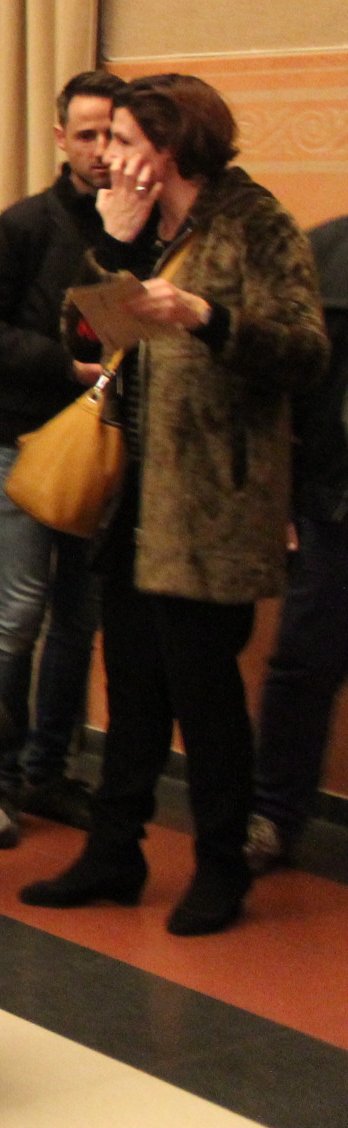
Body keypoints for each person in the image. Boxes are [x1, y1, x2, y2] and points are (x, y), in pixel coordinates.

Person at [21, 75, 327, 937]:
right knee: (132, 690)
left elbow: (305, 354)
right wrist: (111, 250)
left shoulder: (254, 222)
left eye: (122, 139)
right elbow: (86, 339)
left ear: (172, 144)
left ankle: (222, 864)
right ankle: (115, 851)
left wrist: (206, 315)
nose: (106, 154)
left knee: (206, 698)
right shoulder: (139, 226)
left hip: (212, 504)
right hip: (135, 496)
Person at [0, 71, 124, 821]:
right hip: (26, 439)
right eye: (86, 134)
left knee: (79, 618)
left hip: (106, 445)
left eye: (112, 135)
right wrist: (65, 366)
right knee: (21, 610)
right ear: (61, 138)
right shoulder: (23, 226)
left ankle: (47, 771)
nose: (100, 149)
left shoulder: (140, 229)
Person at [249, 212, 348, 874]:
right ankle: (274, 816)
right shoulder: (323, 251)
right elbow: (283, 391)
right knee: (303, 664)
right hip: (333, 501)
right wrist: (282, 499)